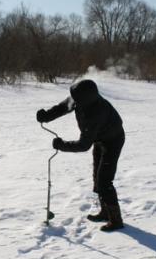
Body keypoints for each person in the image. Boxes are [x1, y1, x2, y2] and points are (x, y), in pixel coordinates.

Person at [36, 79, 125, 232]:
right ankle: (105, 212)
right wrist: (46, 116)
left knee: (104, 181)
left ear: (87, 98)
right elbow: (63, 107)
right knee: (97, 178)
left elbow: (83, 145)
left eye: (77, 98)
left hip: (113, 141)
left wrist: (61, 145)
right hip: (100, 139)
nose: (73, 100)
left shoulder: (96, 113)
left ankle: (116, 221)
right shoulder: (80, 99)